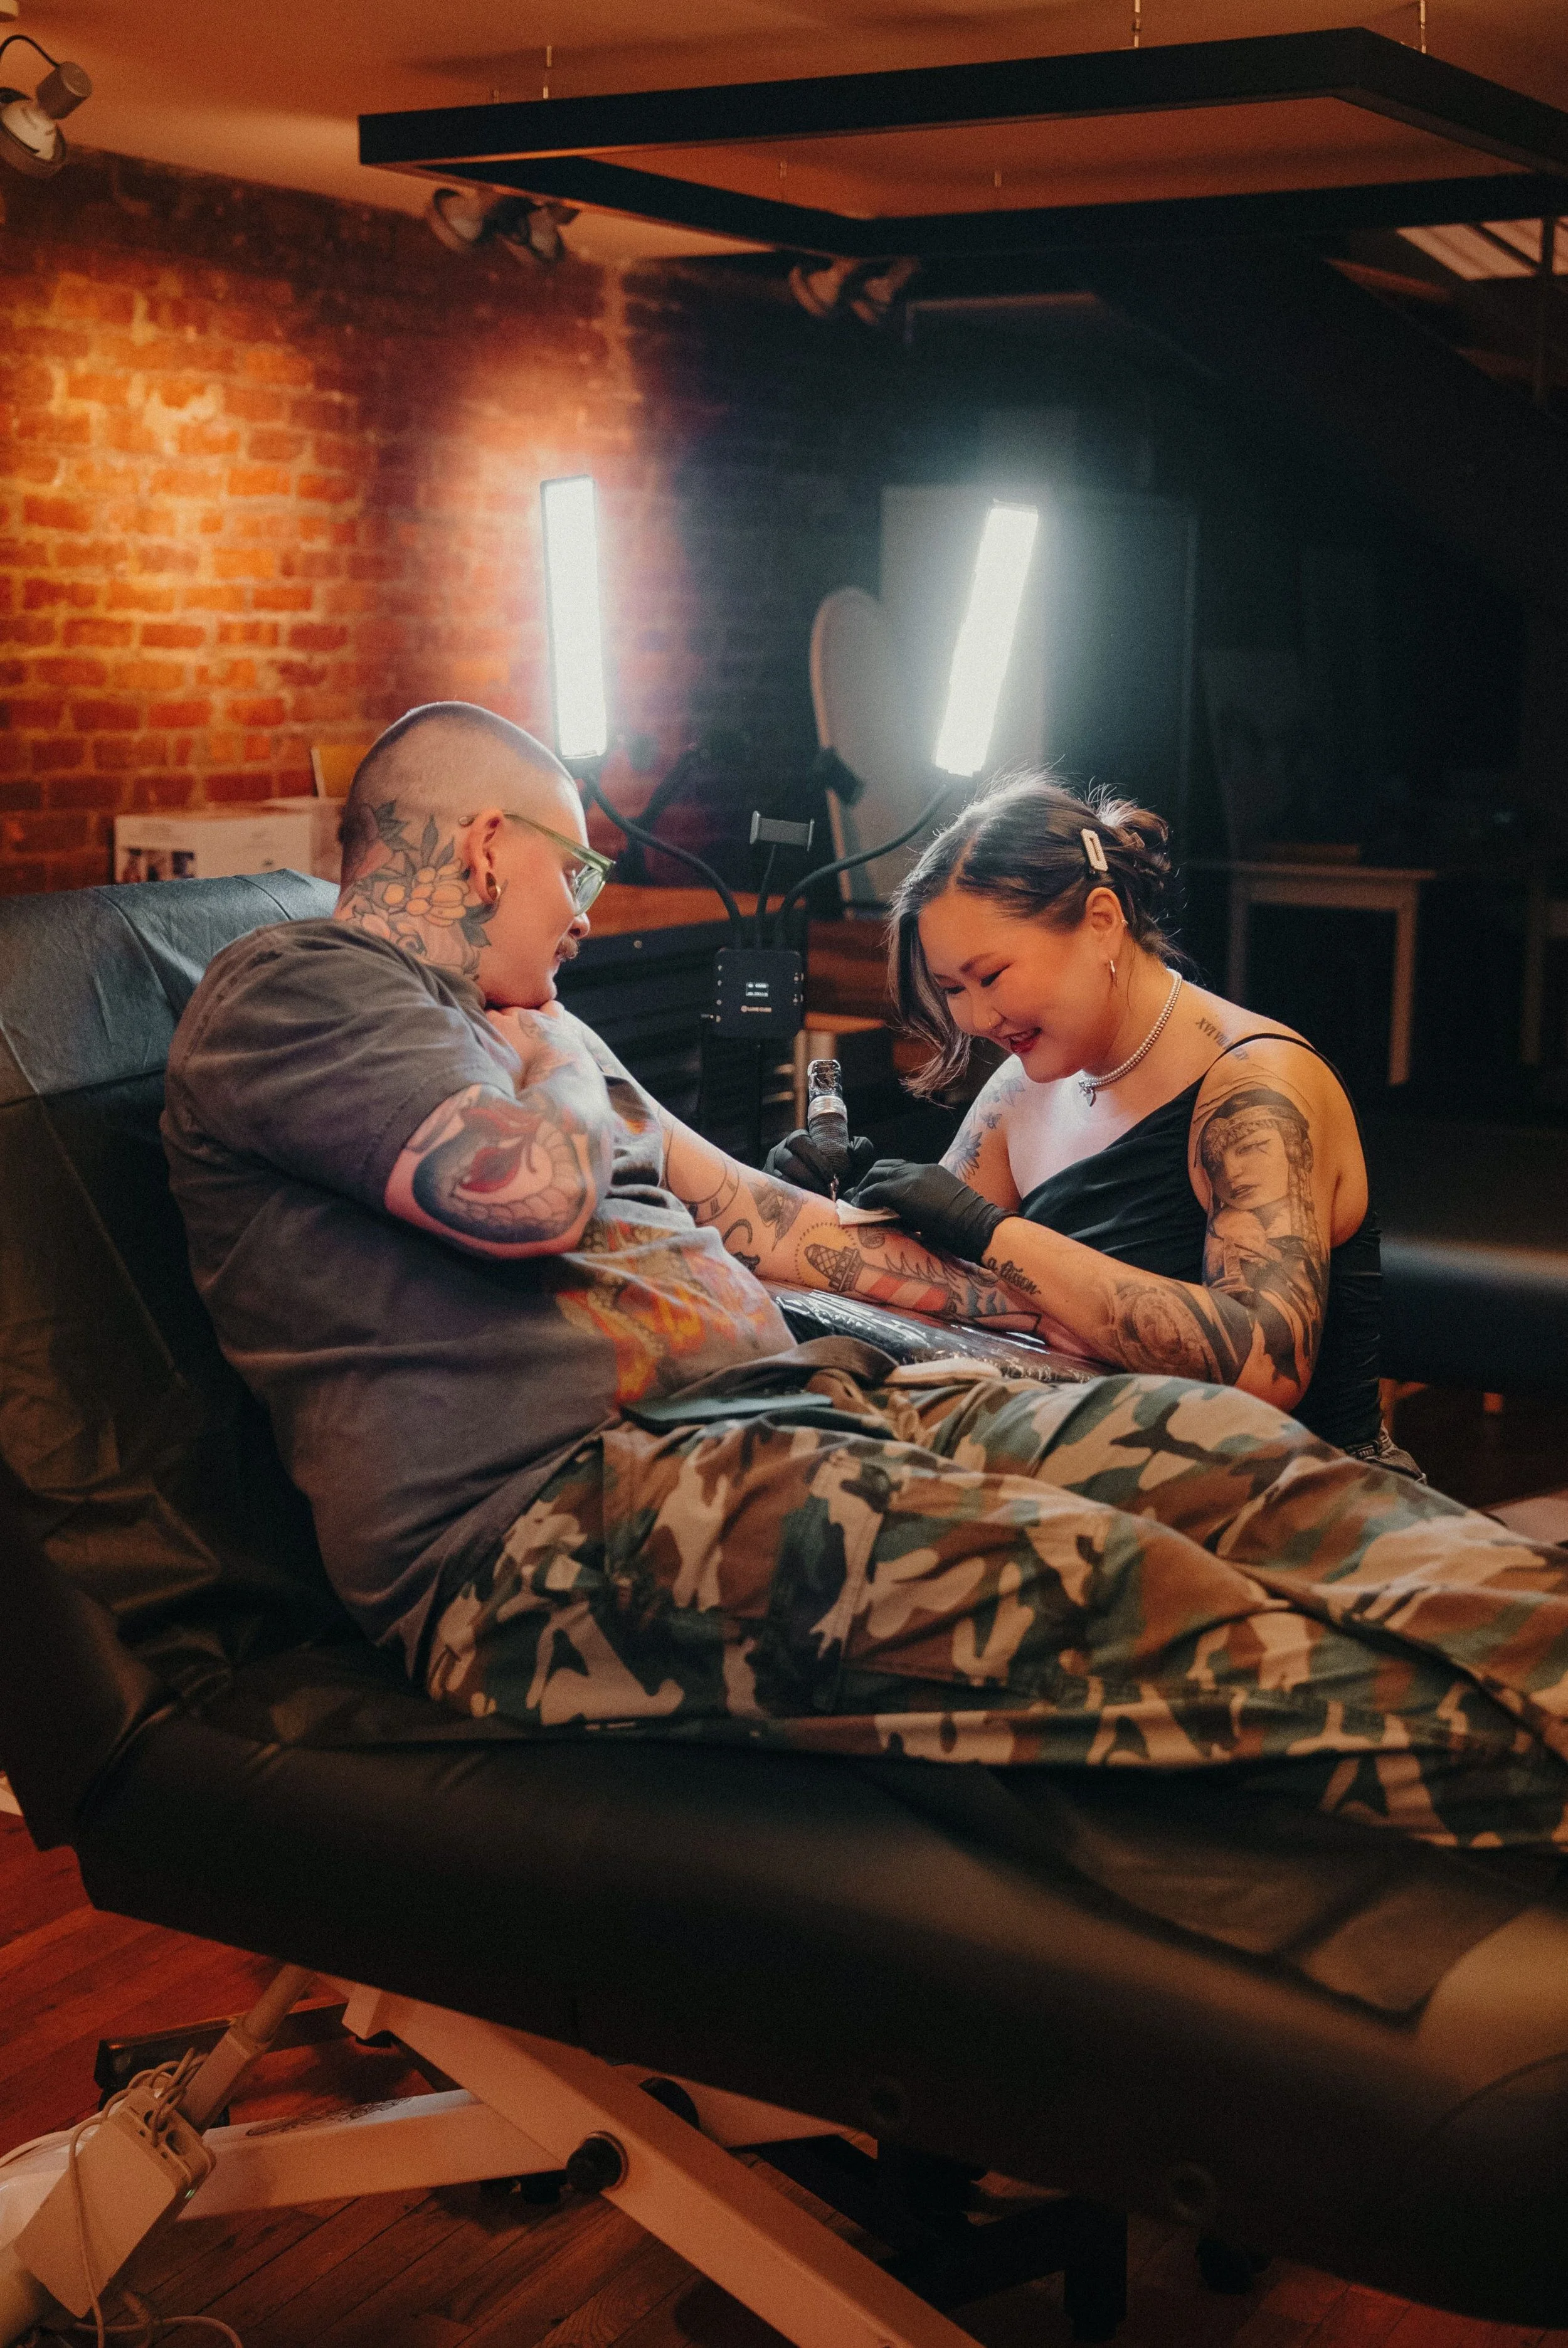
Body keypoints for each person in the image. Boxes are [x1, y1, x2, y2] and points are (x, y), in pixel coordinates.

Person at [162, 704, 1568, 1854]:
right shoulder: (298, 986)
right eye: (575, 873)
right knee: (1108, 1587)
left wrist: (1018, 1311)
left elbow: (773, 1223)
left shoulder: (539, 1033)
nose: (584, 916)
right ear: (486, 849)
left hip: (789, 1406)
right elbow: (525, 1197)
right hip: (547, 1522)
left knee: (1204, 1442)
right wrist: (557, 1065)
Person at [771, 773, 1414, 1475]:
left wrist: (990, 1232)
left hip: (1299, 1490)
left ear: (1102, 920)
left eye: (992, 976)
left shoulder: (1257, 1086)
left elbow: (1263, 1363)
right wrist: (825, 1197)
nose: (977, 1018)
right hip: (1114, 1473)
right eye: (953, 989)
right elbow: (927, 1274)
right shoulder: (1021, 1089)